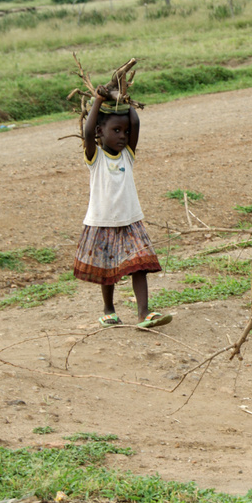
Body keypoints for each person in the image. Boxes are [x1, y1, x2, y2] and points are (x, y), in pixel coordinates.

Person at [73, 91, 172, 330]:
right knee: (107, 270)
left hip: (130, 222)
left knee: (139, 266)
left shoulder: (128, 155)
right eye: (116, 131)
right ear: (100, 132)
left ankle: (144, 314)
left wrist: (122, 99)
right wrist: (98, 99)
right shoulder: (95, 157)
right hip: (102, 222)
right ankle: (109, 310)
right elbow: (87, 133)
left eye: (125, 132)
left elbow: (135, 122)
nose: (123, 136)